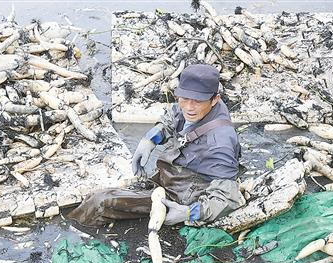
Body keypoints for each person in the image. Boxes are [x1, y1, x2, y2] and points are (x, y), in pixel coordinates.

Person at [69, 64, 244, 226]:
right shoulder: (199, 103)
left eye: (197, 101)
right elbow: (174, 116)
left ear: (215, 99)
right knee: (93, 196)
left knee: (99, 203)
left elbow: (229, 198)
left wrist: (190, 212)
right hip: (173, 173)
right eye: (184, 98)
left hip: (184, 194)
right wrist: (150, 139)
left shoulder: (220, 143)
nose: (189, 107)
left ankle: (76, 229)